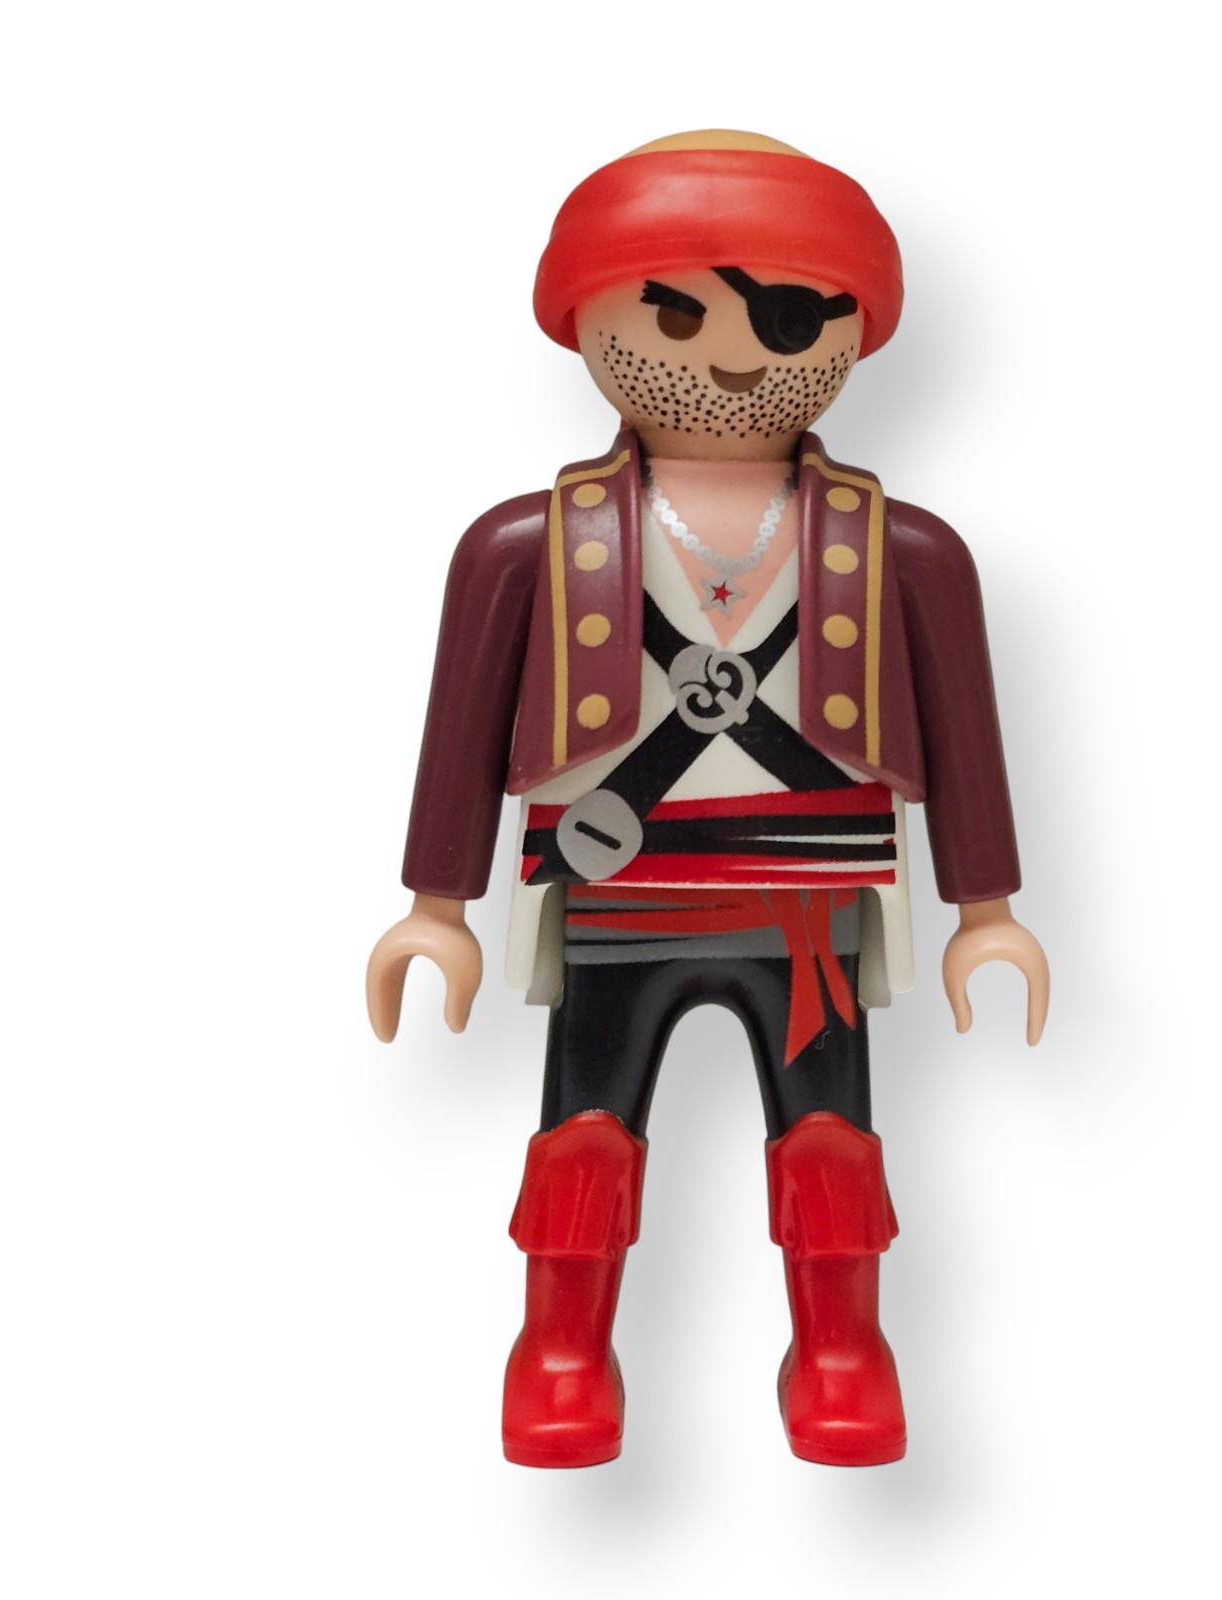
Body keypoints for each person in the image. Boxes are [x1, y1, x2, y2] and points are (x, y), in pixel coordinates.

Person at [366, 130, 1049, 1468]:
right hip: (615, 891)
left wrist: (990, 911)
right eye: (674, 312)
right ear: (586, 317)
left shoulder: (903, 552)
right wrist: (434, 905)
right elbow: (463, 729)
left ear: (853, 328)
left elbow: (967, 733)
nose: (732, 355)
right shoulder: (528, 546)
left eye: (785, 316)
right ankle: (561, 1348)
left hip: (811, 907)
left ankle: (842, 1347)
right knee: (582, 1138)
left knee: (830, 1143)